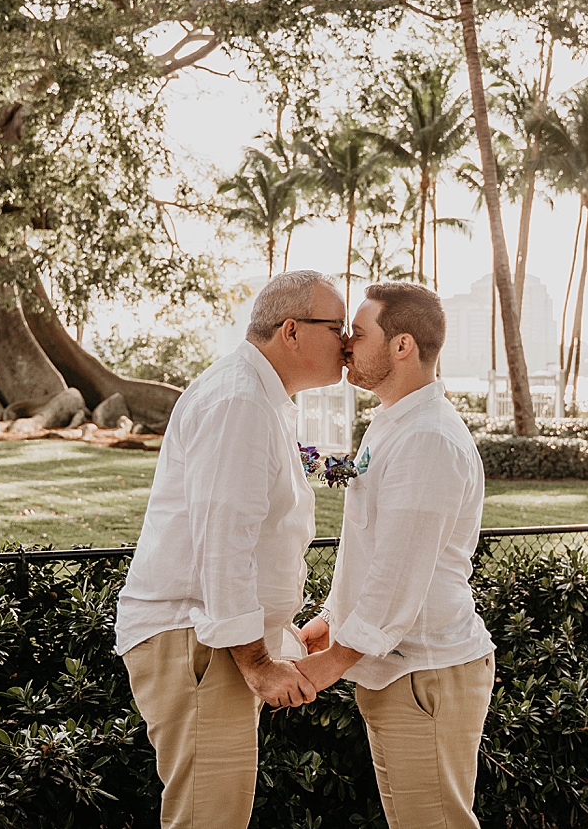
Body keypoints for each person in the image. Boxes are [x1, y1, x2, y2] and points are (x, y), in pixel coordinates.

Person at [115, 269, 347, 829]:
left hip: (204, 638)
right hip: (194, 641)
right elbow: (222, 545)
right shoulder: (240, 401)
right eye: (337, 327)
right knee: (209, 820)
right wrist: (260, 664)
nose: (348, 342)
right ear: (291, 331)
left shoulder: (256, 396)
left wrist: (283, 634)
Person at [298, 281, 496, 829]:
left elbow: (398, 572)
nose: (345, 344)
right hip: (401, 670)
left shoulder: (427, 439)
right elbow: (374, 541)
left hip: (425, 674)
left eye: (358, 334)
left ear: (402, 345)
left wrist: (324, 667)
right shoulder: (394, 423)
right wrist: (330, 621)